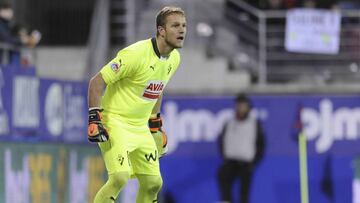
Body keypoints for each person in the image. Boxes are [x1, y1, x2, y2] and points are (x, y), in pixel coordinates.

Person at [87, 6, 186, 203]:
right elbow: (96, 82)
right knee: (119, 177)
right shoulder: (135, 54)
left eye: (184, 25)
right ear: (161, 30)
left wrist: (155, 124)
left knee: (153, 183)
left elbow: (157, 88)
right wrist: (94, 119)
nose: (182, 30)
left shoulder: (174, 59)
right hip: (115, 121)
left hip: (140, 126)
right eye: (175, 25)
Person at [217, 94, 265, 203]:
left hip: (246, 163)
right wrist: (224, 156)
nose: (240, 108)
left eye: (243, 105)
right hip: (231, 161)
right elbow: (221, 140)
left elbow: (261, 144)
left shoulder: (254, 123)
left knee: (244, 191)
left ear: (248, 107)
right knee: (222, 176)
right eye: (238, 105)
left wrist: (255, 161)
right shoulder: (229, 122)